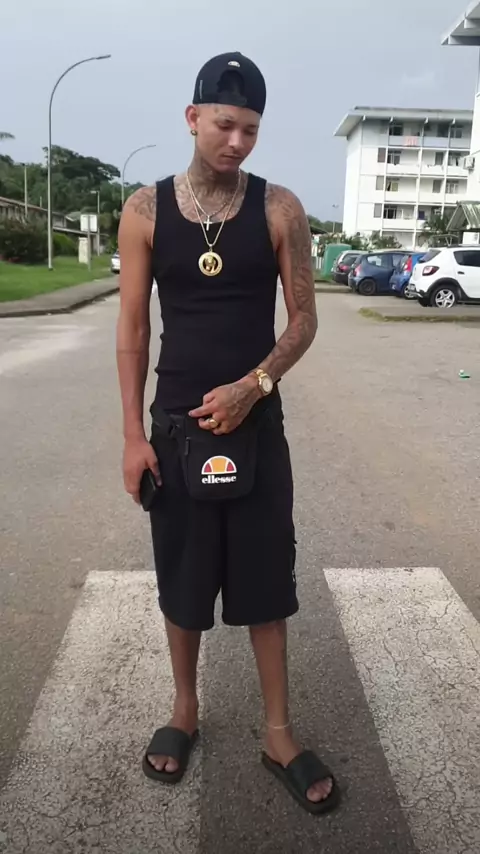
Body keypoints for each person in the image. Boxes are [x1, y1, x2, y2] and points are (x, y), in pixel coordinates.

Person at [116, 51, 339, 815]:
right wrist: (132, 436)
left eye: (250, 129)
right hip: (175, 430)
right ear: (192, 118)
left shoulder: (279, 209)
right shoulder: (145, 211)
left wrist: (256, 385)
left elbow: (304, 320)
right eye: (223, 125)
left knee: (265, 581)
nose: (237, 142)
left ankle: (279, 733)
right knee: (182, 580)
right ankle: (185, 711)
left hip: (256, 428)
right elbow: (132, 330)